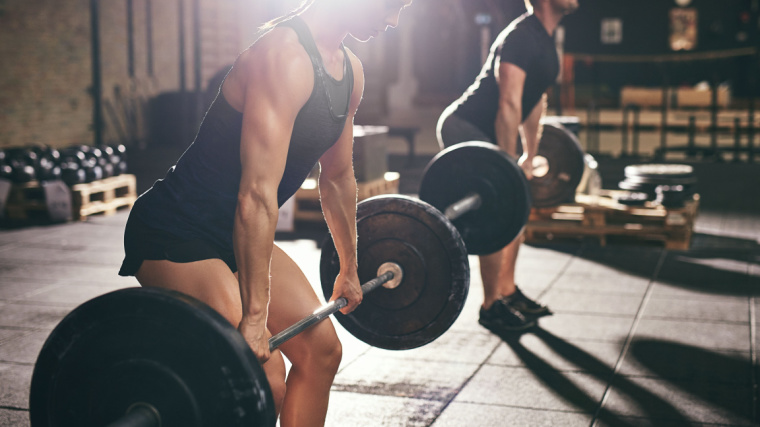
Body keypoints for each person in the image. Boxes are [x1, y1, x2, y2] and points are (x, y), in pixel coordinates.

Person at [118, 1, 413, 425]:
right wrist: (255, 319)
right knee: (262, 374)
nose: (393, 21)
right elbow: (256, 194)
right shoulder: (284, 57)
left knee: (323, 352)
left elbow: (338, 177)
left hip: (236, 231)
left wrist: (349, 265)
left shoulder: (349, 70)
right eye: (390, 6)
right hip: (178, 229)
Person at [436, 0, 578, 333]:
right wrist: (507, 166)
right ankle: (491, 306)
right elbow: (509, 101)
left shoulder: (545, 39)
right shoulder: (520, 36)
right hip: (465, 126)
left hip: (495, 129)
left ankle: (508, 291)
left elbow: (533, 100)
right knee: (498, 207)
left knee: (518, 207)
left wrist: (529, 154)